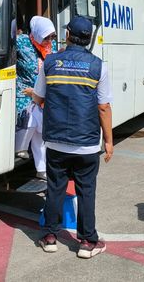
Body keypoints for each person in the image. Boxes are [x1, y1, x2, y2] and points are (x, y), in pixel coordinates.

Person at [33, 16, 113, 259]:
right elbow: (103, 108)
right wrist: (108, 141)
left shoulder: (50, 62)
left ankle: (49, 236)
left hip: (56, 140)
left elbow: (38, 97)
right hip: (87, 143)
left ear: (67, 34)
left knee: (55, 188)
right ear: (88, 38)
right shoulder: (99, 66)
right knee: (86, 190)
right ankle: (88, 241)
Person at [15, 16, 57, 179]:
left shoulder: (50, 47)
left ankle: (42, 169)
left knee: (41, 130)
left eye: (52, 36)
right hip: (23, 92)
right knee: (32, 117)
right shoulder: (21, 42)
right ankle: (21, 147)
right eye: (46, 36)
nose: (49, 40)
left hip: (41, 93)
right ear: (38, 33)